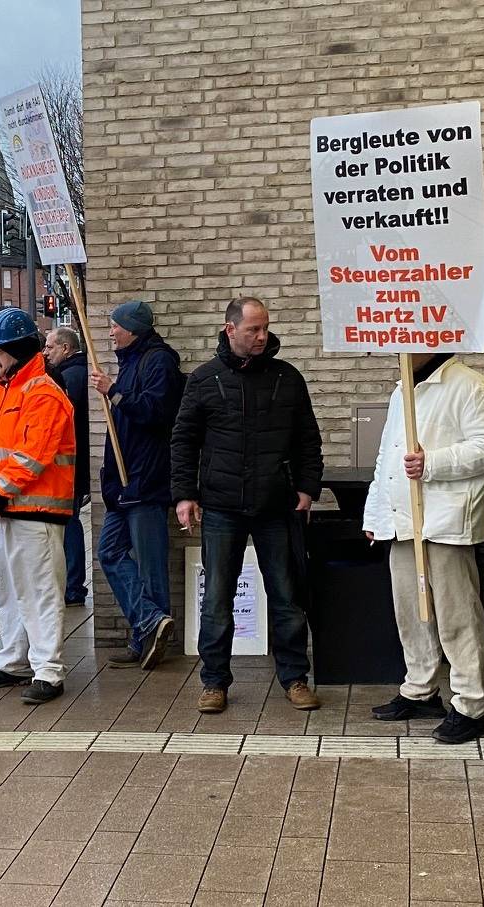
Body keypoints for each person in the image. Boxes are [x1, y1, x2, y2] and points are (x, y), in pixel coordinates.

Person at [171, 297, 324, 715]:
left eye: (265, 328)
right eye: (253, 329)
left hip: (277, 506)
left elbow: (308, 439)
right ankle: (214, 682)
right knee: (217, 598)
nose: (262, 336)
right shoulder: (203, 379)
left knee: (287, 596)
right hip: (221, 507)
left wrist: (309, 488)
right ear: (230, 329)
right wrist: (185, 494)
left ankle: (294, 678)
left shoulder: (287, 378)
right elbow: (183, 440)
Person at [363, 351, 484, 744]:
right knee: (410, 611)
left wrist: (433, 463)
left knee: (456, 616)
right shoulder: (402, 391)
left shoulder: (472, 386)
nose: (397, 351)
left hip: (445, 521)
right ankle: (421, 688)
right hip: (402, 520)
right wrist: (375, 515)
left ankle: (471, 706)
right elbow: (387, 459)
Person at [0, 309, 77, 705]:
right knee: (12, 590)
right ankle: (15, 660)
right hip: (8, 508)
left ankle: (48, 670)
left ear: (17, 349)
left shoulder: (42, 392)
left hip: (32, 510)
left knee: (39, 590)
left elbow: (33, 455)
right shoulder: (3, 390)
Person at [91, 300, 183, 669]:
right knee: (109, 552)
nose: (111, 331)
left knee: (150, 565)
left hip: (145, 480)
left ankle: (148, 639)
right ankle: (148, 623)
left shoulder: (158, 361)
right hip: (123, 485)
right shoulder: (130, 362)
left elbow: (157, 412)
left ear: (133, 328)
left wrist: (114, 392)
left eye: (115, 325)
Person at [45, 327, 90, 607]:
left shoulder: (67, 378)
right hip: (78, 464)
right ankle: (72, 585)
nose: (45, 353)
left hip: (68, 466)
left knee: (68, 524)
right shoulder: (79, 373)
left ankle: (72, 586)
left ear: (65, 348)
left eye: (50, 347)